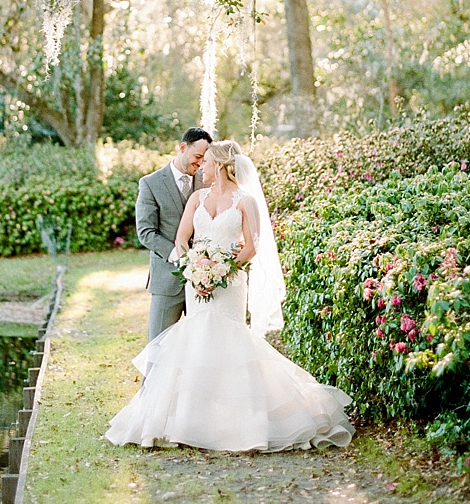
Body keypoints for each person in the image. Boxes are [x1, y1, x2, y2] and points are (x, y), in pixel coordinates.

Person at [107, 140, 354, 452]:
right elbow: (183, 239)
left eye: (207, 162)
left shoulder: (245, 201)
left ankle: (239, 423)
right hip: (195, 283)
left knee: (230, 343)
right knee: (196, 344)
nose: (202, 168)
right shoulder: (197, 197)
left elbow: (251, 246)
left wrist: (221, 272)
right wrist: (193, 270)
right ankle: (189, 423)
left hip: (230, 284)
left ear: (221, 166)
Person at [135, 127, 213, 341]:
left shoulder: (207, 181)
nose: (199, 164)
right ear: (182, 148)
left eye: (204, 160)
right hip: (167, 279)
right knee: (158, 346)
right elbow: (146, 232)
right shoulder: (150, 183)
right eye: (197, 157)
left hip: (204, 281)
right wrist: (181, 258)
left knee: (201, 346)